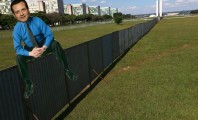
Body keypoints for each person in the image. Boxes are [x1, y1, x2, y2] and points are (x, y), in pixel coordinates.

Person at [10, 0, 77, 99]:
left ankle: (67, 69)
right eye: (17, 12)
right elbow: (17, 48)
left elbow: (49, 35)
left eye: (23, 9)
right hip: (31, 50)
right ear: (14, 15)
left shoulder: (37, 20)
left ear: (28, 10)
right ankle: (29, 84)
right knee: (19, 58)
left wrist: (44, 48)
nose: (21, 14)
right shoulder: (16, 29)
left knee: (55, 44)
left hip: (44, 45)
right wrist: (30, 53)